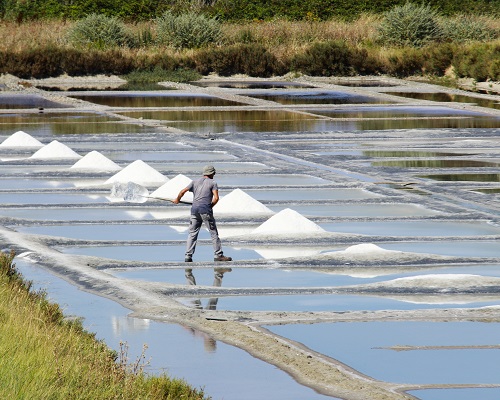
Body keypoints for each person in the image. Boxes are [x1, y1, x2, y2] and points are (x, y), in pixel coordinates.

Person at [174, 165, 232, 262]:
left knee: (192, 233)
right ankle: (218, 255)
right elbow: (216, 198)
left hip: (194, 210)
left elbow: (182, 191)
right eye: (214, 173)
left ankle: (188, 256)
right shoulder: (213, 183)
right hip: (205, 211)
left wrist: (177, 199)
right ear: (211, 173)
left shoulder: (194, 182)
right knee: (213, 233)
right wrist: (210, 206)